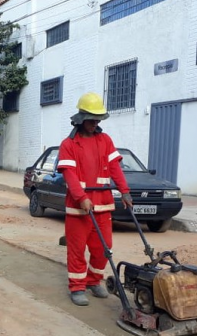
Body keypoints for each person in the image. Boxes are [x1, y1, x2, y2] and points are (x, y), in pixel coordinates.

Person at [56, 92, 134, 306]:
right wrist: (81, 197)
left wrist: (124, 191)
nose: (95, 123)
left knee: (103, 247)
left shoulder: (105, 140)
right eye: (91, 119)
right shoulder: (69, 144)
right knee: (77, 249)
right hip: (78, 208)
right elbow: (69, 175)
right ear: (81, 118)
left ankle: (93, 280)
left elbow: (115, 168)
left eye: (98, 119)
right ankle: (77, 286)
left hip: (103, 205)